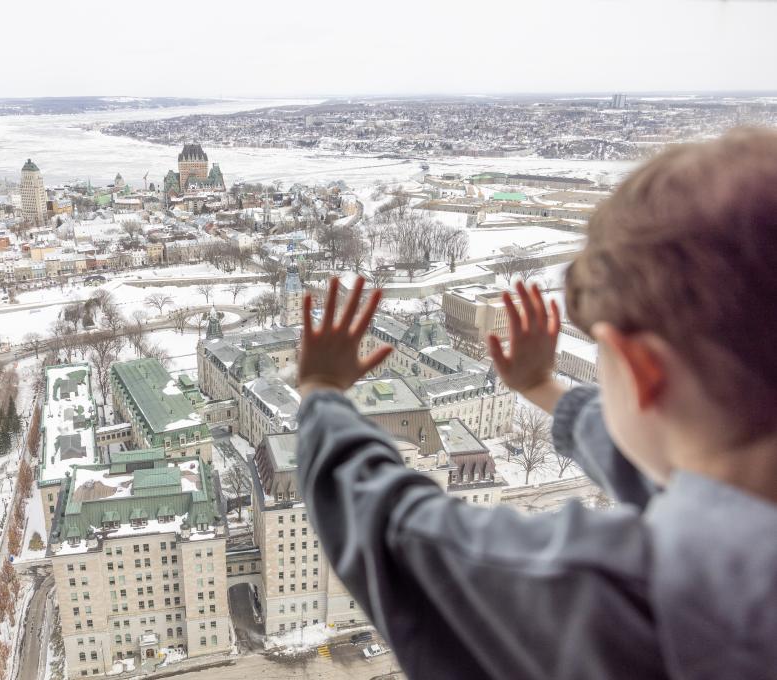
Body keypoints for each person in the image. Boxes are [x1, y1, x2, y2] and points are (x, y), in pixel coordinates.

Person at [296, 129, 777, 680]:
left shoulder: (615, 593)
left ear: (642, 370)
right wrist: (543, 388)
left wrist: (322, 390)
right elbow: (659, 471)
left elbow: (391, 532)